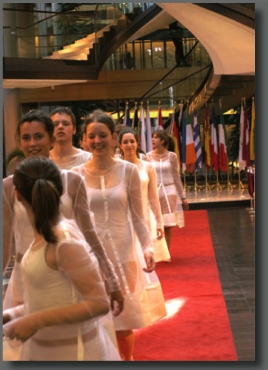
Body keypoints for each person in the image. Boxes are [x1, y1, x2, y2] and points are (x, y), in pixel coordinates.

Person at [3, 110, 123, 317]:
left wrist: (112, 278)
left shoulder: (72, 181)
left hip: (68, 272)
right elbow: (5, 243)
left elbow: (89, 233)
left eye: (38, 136)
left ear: (51, 139)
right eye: (26, 138)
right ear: (20, 143)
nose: (32, 143)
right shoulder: (8, 186)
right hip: (27, 275)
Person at [3, 156, 121, 361]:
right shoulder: (44, 235)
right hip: (46, 350)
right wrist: (12, 315)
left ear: (17, 195)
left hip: (74, 353)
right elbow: (54, 298)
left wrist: (34, 321)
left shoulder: (64, 241)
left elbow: (99, 303)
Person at [71, 110, 166, 361]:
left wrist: (147, 246)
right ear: (84, 140)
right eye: (92, 136)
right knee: (93, 320)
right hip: (88, 256)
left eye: (103, 135)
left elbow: (137, 216)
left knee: (123, 321)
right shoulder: (76, 175)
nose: (98, 141)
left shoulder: (129, 171)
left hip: (124, 250)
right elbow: (73, 220)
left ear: (114, 138)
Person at [118, 128, 170, 262]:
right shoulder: (116, 167)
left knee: (145, 258)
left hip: (144, 216)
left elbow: (153, 197)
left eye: (132, 141)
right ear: (120, 145)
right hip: (122, 217)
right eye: (125, 142)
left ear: (137, 143)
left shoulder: (148, 167)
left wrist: (159, 222)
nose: (129, 145)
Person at [147, 129, 189, 256]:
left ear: (163, 141)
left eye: (156, 137)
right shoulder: (147, 156)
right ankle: (156, 251)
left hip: (169, 190)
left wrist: (183, 196)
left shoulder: (172, 156)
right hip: (154, 191)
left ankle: (167, 253)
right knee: (154, 222)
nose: (153, 140)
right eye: (152, 137)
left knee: (168, 224)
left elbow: (176, 177)